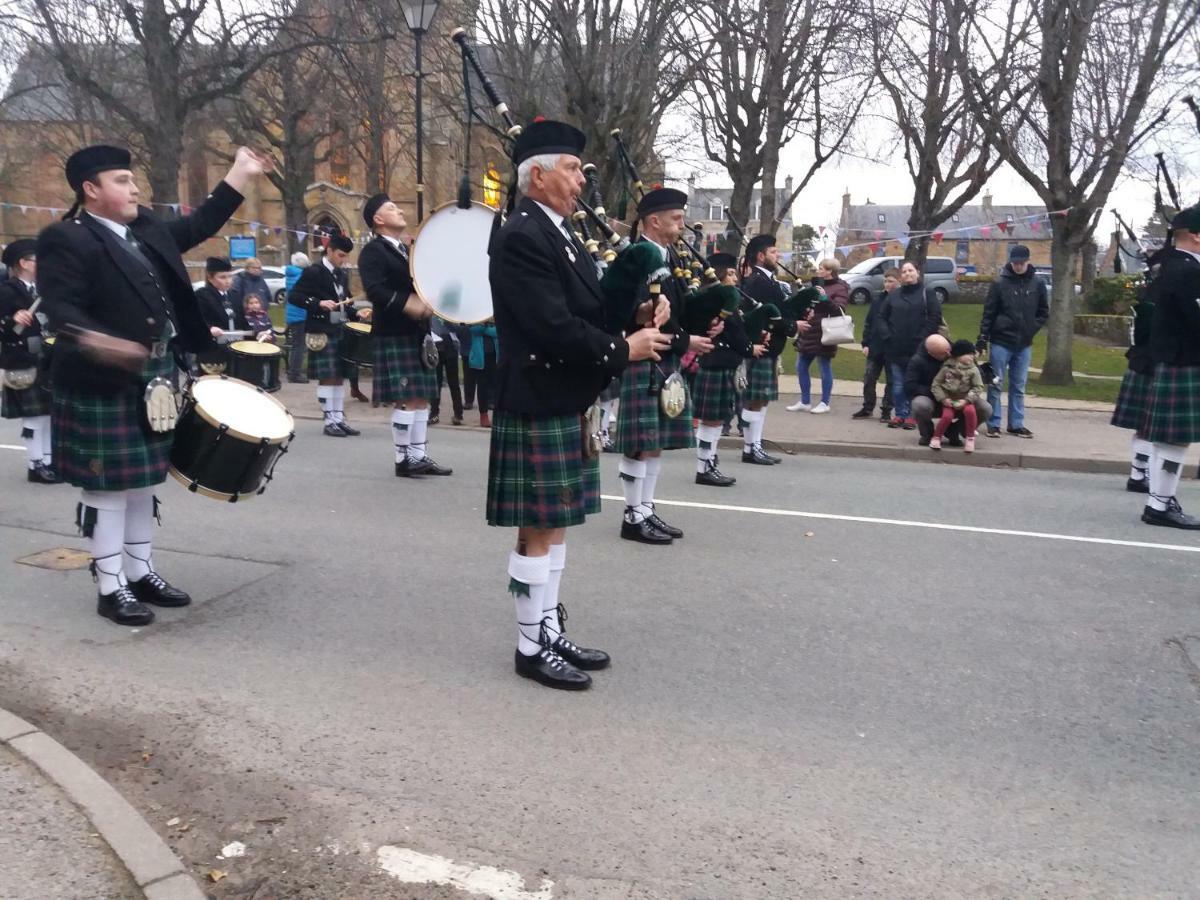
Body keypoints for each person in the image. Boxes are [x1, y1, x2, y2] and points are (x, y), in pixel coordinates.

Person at [37, 142, 272, 626]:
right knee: (107, 489)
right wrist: (101, 341)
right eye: (122, 180)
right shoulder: (67, 239)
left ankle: (141, 572)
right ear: (90, 189)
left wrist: (241, 173)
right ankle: (110, 586)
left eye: (132, 179)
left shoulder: (143, 230)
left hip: (155, 377)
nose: (134, 187)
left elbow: (201, 223)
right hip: (101, 380)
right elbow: (61, 309)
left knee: (144, 483)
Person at [487, 119, 670, 690]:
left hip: (563, 397)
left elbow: (584, 313)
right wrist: (624, 349)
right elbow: (552, 328)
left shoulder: (558, 233)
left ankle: (546, 625)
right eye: (570, 168)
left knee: (557, 524)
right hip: (539, 397)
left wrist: (633, 320)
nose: (580, 179)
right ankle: (527, 646)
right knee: (537, 528)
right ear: (536, 176)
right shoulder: (522, 235)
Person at [615, 186, 712, 544]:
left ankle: (646, 508)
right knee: (639, 442)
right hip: (645, 355)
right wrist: (687, 341)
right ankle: (632, 514)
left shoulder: (667, 256)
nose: (682, 223)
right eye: (676, 217)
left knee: (653, 441)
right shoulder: (638, 257)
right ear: (653, 221)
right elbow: (631, 314)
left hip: (664, 357)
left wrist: (704, 322)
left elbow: (677, 312)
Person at [358, 192, 451, 475]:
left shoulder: (405, 249)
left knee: (421, 397)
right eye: (392, 208)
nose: (399, 211)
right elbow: (375, 290)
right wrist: (408, 304)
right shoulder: (373, 251)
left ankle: (419, 455)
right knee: (407, 398)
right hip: (395, 333)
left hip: (417, 334)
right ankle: (402, 460)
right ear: (378, 219)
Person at [1139, 205, 1200, 529]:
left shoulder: (1168, 266)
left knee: (1169, 439)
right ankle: (1160, 505)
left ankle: (1159, 501)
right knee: (1177, 439)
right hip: (1185, 359)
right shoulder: (1189, 271)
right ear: (1196, 236)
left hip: (1171, 357)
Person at [292, 233, 368, 437]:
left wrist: (355, 312)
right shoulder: (314, 271)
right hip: (321, 330)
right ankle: (329, 420)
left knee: (339, 376)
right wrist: (318, 303)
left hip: (339, 328)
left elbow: (346, 300)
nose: (344, 260)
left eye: (346, 256)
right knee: (327, 376)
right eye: (341, 255)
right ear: (330, 251)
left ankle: (338, 418)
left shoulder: (341, 274)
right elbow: (295, 296)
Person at [977, 244, 1049, 438]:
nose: (1018, 266)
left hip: (1024, 342)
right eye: (1015, 263)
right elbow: (989, 313)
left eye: (1021, 263)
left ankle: (1016, 423)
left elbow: (1043, 312)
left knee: (1019, 385)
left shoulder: (1038, 284)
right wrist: (983, 338)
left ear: (1027, 262)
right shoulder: (1000, 283)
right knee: (996, 383)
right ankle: (993, 422)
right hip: (1001, 340)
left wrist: (1031, 328)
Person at [0, 238, 58, 483]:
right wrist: (12, 318)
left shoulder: (43, 291)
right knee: (34, 416)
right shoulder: (6, 290)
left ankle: (48, 460)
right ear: (23, 263)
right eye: (38, 260)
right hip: (22, 360)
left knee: (48, 414)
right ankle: (35, 465)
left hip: (45, 358)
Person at [692, 252, 752, 486]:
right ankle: (704, 467)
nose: (735, 278)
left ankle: (709, 461)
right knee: (711, 420)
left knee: (716, 419)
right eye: (729, 273)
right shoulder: (711, 298)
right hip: (714, 363)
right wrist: (747, 346)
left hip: (723, 363)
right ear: (716, 274)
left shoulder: (727, 300)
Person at [739, 233, 794, 464]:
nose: (777, 254)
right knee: (755, 399)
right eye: (773, 252)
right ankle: (750, 447)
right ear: (761, 257)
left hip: (768, 348)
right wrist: (792, 325)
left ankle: (755, 445)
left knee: (760, 400)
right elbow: (767, 315)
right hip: (761, 347)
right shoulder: (758, 282)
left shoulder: (768, 281)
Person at [878, 259, 942, 430]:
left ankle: (913, 416)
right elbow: (882, 317)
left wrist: (923, 338)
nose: (907, 274)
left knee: (913, 384)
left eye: (910, 270)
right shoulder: (894, 295)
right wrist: (887, 336)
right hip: (896, 348)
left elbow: (934, 317)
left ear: (917, 273)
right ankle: (900, 414)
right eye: (904, 271)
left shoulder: (927, 293)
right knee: (898, 386)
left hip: (918, 349)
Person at [1110, 266, 1158, 493]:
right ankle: (1139, 474)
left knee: (1145, 426)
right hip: (1150, 364)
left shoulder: (1149, 300)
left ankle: (1139, 473)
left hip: (1144, 363)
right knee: (1148, 426)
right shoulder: (1151, 305)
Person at [787, 259, 849, 414]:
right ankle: (805, 401)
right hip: (810, 330)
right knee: (801, 366)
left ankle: (824, 402)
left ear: (830, 271)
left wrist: (825, 298)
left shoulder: (840, 287)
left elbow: (839, 309)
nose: (818, 271)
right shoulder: (816, 285)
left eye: (821, 268)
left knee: (824, 366)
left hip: (826, 332)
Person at [908, 334, 991, 446]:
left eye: (948, 350)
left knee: (985, 408)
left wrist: (966, 398)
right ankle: (928, 434)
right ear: (931, 353)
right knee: (919, 404)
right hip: (934, 397)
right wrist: (941, 396)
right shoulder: (917, 361)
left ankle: (954, 430)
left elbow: (979, 380)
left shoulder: (960, 351)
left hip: (962, 396)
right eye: (943, 353)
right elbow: (910, 386)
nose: (948, 354)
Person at [852, 267, 897, 421]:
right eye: (886, 281)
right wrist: (865, 343)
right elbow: (869, 322)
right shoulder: (878, 299)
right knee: (869, 377)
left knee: (891, 381)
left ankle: (886, 410)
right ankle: (867, 407)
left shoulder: (900, 300)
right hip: (875, 346)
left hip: (892, 348)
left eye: (891, 281)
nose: (887, 284)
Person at [929, 339, 986, 452]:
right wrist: (943, 399)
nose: (971, 357)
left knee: (970, 412)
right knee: (947, 416)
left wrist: (967, 400)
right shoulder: (947, 368)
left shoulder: (973, 370)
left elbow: (978, 386)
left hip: (965, 399)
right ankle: (936, 437)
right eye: (968, 354)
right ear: (958, 355)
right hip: (949, 399)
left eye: (972, 355)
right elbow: (936, 384)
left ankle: (970, 438)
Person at [195, 256, 247, 338]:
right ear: (210, 278)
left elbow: (243, 323)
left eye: (230, 276)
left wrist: (258, 333)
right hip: (215, 346)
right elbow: (195, 321)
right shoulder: (202, 296)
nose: (228, 281)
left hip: (237, 344)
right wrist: (210, 328)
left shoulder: (235, 295)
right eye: (222, 277)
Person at [429, 317, 464, 426]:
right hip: (436, 346)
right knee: (436, 383)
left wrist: (449, 322)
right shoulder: (432, 310)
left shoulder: (451, 311)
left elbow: (460, 329)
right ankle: (434, 414)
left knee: (453, 383)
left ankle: (458, 414)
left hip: (450, 346)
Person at [284, 251, 309, 383]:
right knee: (299, 345)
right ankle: (294, 373)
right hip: (300, 314)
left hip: (293, 314)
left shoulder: (291, 274)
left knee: (297, 344)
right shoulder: (301, 276)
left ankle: (293, 371)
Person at [467, 319, 498, 428]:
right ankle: (483, 416)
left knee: (497, 386)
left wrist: (484, 327)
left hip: (495, 356)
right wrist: (487, 324)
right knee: (482, 387)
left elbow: (497, 332)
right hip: (480, 358)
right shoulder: (476, 315)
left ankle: (498, 416)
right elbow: (475, 330)